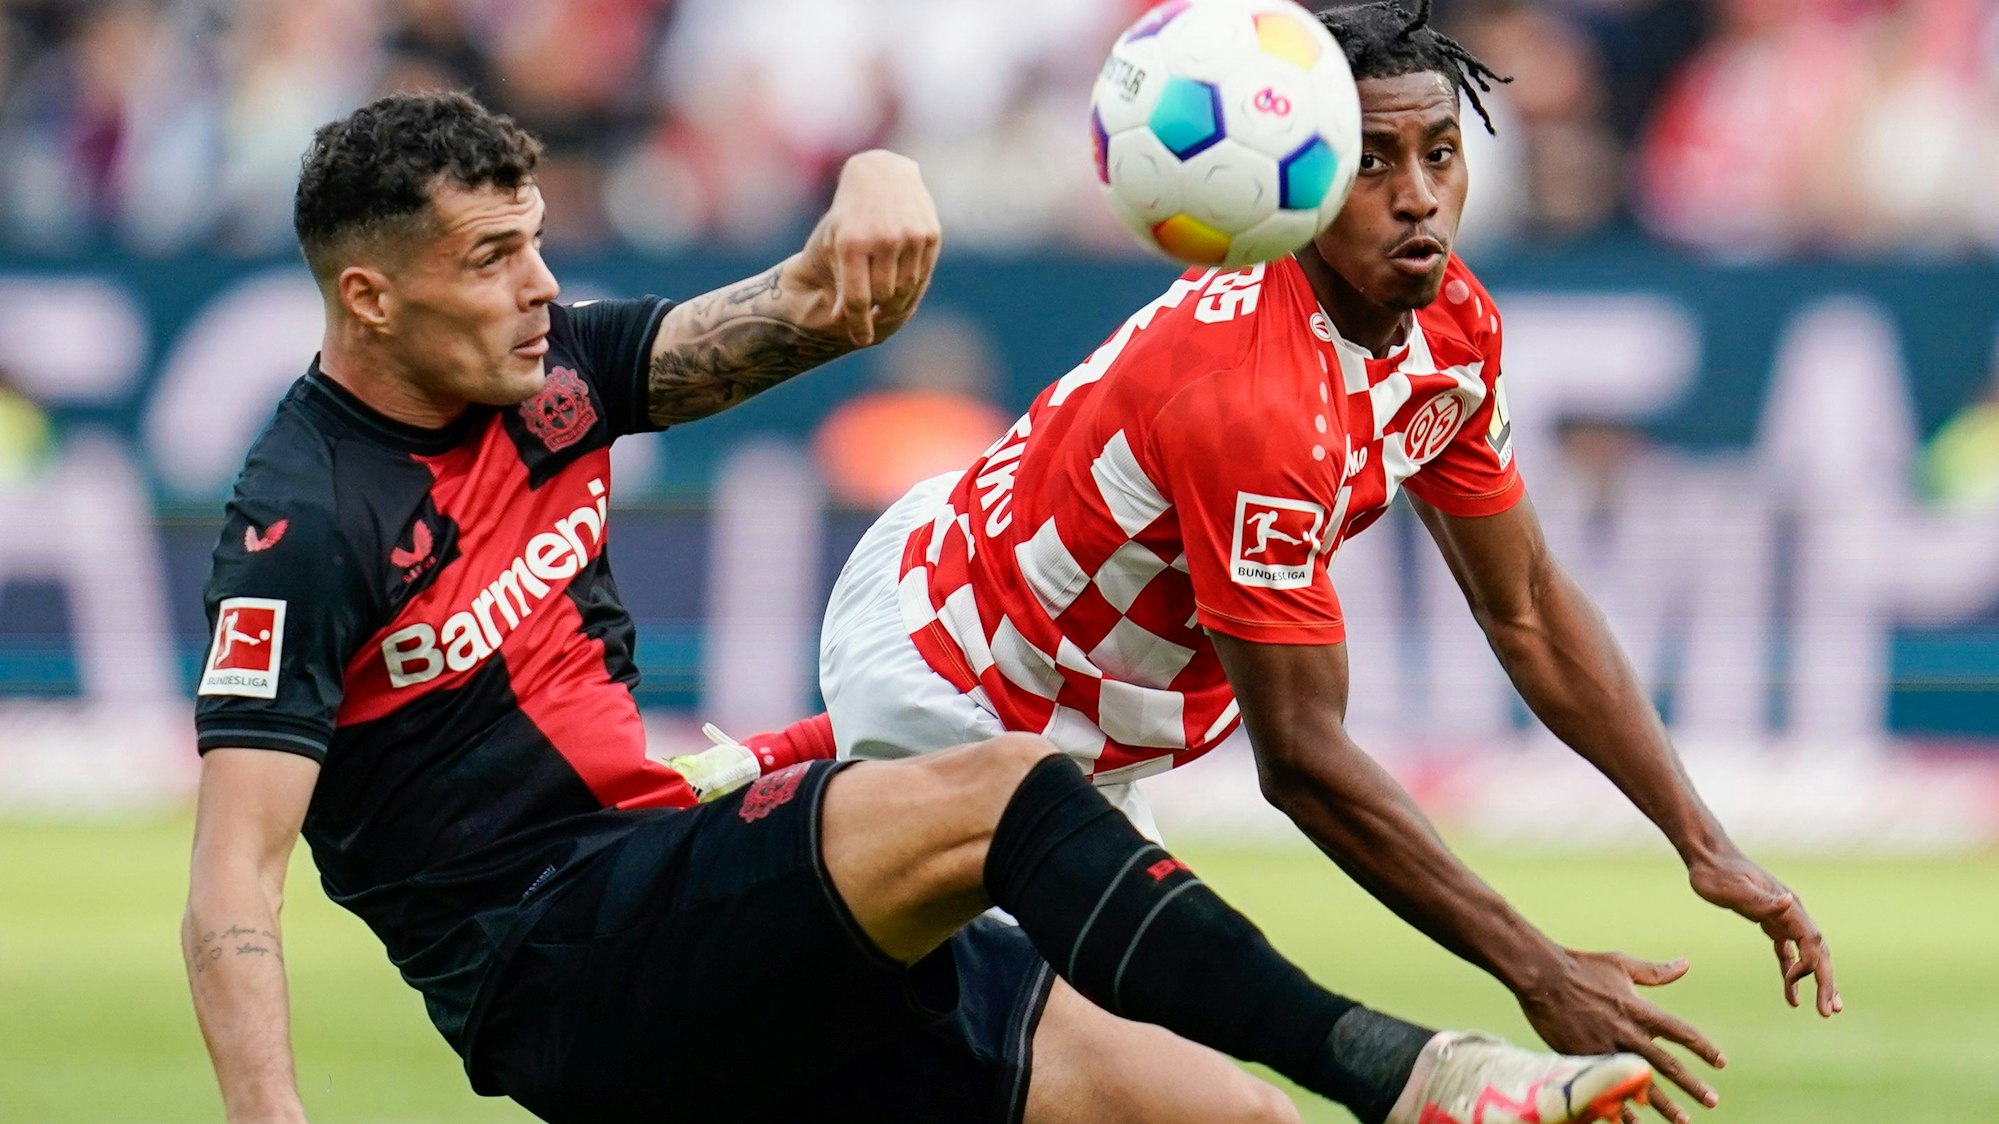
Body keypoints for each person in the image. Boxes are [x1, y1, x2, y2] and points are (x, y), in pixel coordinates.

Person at [182, 89, 1654, 1124]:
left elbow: (826, 302)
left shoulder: (555, 374)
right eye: (493, 259)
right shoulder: (304, 519)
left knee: (1214, 1113)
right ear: (368, 300)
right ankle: (1414, 1076)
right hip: (555, 960)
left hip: (680, 906)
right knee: (1007, 788)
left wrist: (881, 166)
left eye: (539, 241)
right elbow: (231, 892)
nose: (540, 287)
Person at [818, 5, 1842, 1123]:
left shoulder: (1449, 321)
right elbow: (1301, 756)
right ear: (1295, 185)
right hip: (955, 684)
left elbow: (1531, 608)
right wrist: (1533, 963)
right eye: (1370, 164)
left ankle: (755, 816)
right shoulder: (1256, 399)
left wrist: (1703, 843)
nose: (1418, 196)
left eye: (1439, 154)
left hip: (1064, 711)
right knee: (1156, 1098)